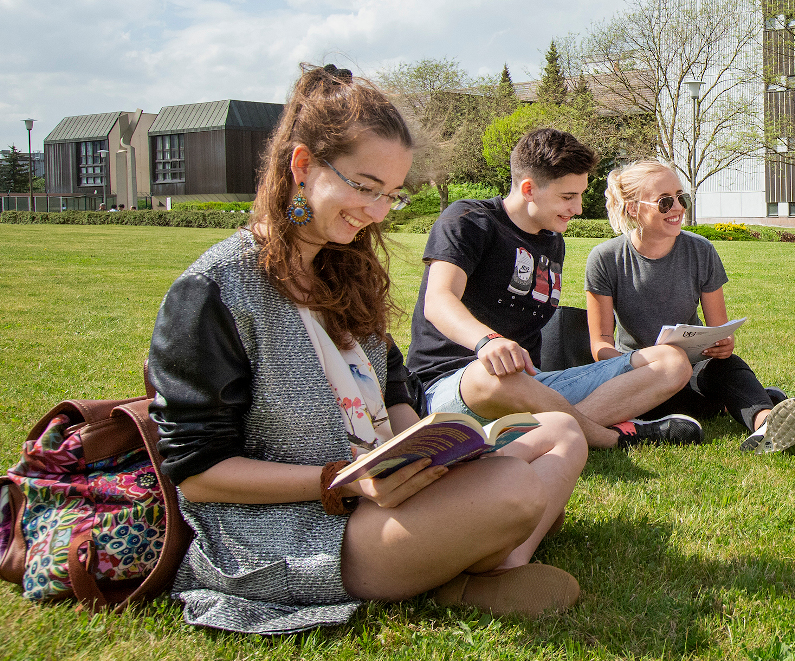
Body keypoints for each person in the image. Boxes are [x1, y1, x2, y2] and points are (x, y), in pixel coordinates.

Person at [148, 64, 586, 634]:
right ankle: (465, 568)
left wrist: (427, 454)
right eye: (364, 187)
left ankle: (474, 558)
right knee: (515, 488)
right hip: (301, 530)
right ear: (302, 166)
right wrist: (343, 479)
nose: (377, 212)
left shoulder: (344, 272)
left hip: (389, 491)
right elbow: (198, 474)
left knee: (560, 432)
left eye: (391, 196)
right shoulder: (214, 290)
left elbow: (394, 391)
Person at [408, 129, 701, 450]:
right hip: (454, 386)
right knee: (492, 376)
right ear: (529, 189)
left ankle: (538, 433)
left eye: (580, 195)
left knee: (672, 362)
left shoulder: (553, 242)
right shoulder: (470, 220)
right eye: (567, 197)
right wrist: (487, 342)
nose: (578, 208)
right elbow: (439, 299)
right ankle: (609, 438)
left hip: (533, 386)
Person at [583, 159, 795, 453]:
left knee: (727, 366)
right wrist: (637, 364)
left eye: (682, 198)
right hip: (638, 375)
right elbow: (600, 344)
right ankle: (749, 398)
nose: (678, 208)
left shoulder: (701, 250)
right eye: (665, 202)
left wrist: (724, 343)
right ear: (633, 208)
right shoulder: (605, 258)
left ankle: (766, 423)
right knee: (671, 402)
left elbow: (719, 328)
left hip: (695, 368)